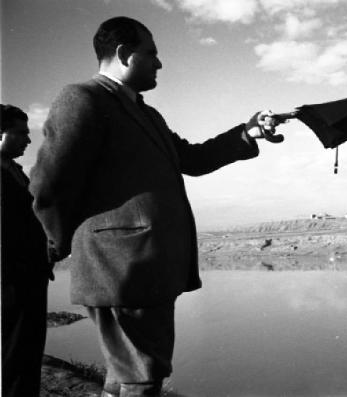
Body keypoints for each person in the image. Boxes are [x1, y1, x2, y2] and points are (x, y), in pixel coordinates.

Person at [29, 16, 281, 397]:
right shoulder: (82, 98)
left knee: (129, 377)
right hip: (121, 269)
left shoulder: (147, 113)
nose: (159, 63)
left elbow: (193, 159)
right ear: (124, 54)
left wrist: (249, 132)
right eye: (152, 54)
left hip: (145, 271)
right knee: (140, 378)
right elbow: (48, 185)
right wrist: (59, 245)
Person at [1, 104, 53, 397]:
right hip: (12, 286)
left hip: (28, 282)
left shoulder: (15, 172)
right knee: (14, 360)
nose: (28, 140)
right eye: (21, 133)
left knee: (27, 357)